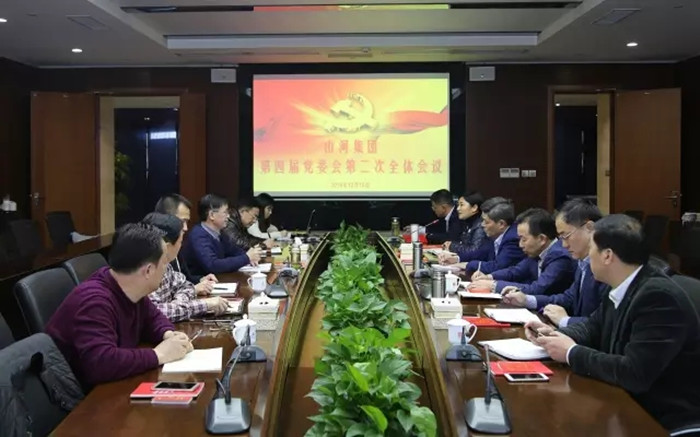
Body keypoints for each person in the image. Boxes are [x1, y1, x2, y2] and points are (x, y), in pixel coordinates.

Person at [526, 215, 700, 430]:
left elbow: (635, 373)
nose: (587, 256)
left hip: (660, 416)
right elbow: (593, 327)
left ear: (607, 255)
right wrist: (552, 334)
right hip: (626, 401)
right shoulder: (621, 284)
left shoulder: (658, 297)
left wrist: (571, 352)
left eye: (591, 249)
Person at [45, 223, 193, 389]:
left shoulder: (129, 287)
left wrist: (169, 335)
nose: (166, 269)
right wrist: (159, 354)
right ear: (148, 271)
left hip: (111, 384)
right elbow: (101, 363)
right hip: (81, 396)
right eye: (164, 262)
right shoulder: (94, 302)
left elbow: (152, 318)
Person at [503, 199, 609, 327]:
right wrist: (526, 300)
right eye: (561, 238)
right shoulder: (583, 263)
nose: (564, 245)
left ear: (589, 228)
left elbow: (605, 324)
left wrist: (565, 321)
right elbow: (568, 298)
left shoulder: (607, 267)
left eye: (566, 236)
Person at [142, 213, 229, 322]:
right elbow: (156, 313)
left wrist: (178, 304)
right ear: (166, 247)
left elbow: (186, 285)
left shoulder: (166, 266)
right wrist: (205, 304)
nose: (181, 246)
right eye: (180, 242)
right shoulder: (144, 271)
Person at [469, 208, 576, 296]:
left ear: (542, 239)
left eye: (523, 239)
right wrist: (489, 277)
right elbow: (515, 271)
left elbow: (538, 288)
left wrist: (493, 285)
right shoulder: (537, 252)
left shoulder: (560, 256)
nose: (520, 245)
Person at [183, 194, 263, 276]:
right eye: (225, 212)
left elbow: (235, 251)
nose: (228, 216)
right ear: (212, 215)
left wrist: (251, 257)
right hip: (200, 282)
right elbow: (213, 265)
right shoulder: (198, 235)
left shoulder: (220, 232)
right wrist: (246, 257)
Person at [441, 197, 525, 275]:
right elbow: (480, 252)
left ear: (501, 224)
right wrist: (457, 258)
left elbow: (498, 266)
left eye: (486, 221)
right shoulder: (494, 235)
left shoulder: (513, 239)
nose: (482, 224)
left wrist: (468, 265)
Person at [155, 193, 218, 291]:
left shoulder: (177, 243)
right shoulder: (154, 251)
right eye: (182, 221)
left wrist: (200, 280)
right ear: (167, 218)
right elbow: (165, 295)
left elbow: (184, 279)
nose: (186, 228)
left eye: (187, 222)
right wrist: (193, 290)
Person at [442, 191, 491, 260]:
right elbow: (465, 244)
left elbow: (474, 251)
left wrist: (452, 246)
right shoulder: (468, 222)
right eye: (458, 205)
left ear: (474, 207)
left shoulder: (481, 225)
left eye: (461, 205)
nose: (458, 208)